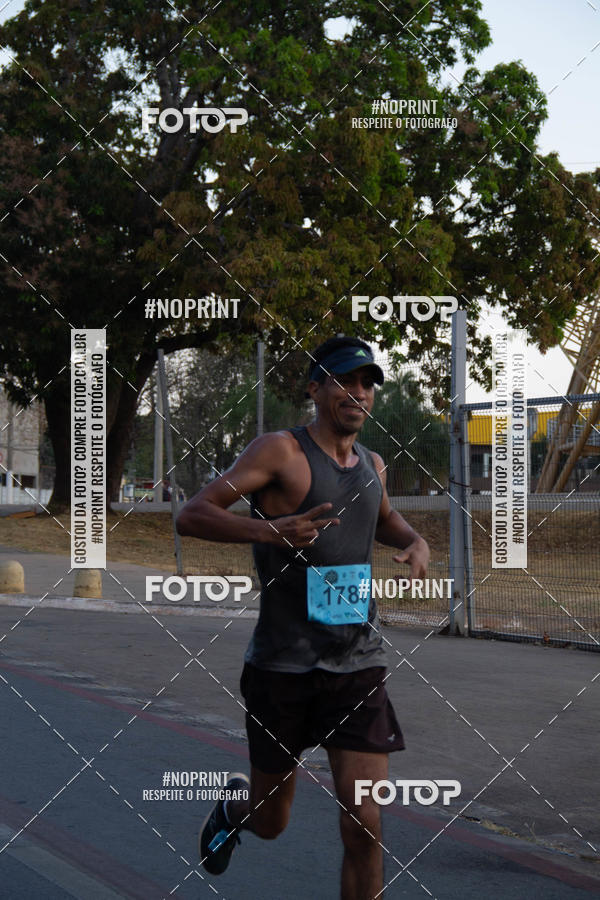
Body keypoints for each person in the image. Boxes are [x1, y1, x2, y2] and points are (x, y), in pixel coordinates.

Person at [176, 336, 430, 899]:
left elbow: (383, 518)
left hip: (356, 665)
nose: (358, 392)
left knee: (365, 821)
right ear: (314, 387)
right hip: (282, 668)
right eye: (344, 379)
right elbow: (193, 514)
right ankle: (232, 813)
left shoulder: (374, 465)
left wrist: (414, 540)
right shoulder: (279, 453)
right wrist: (270, 530)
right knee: (271, 821)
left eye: (367, 382)